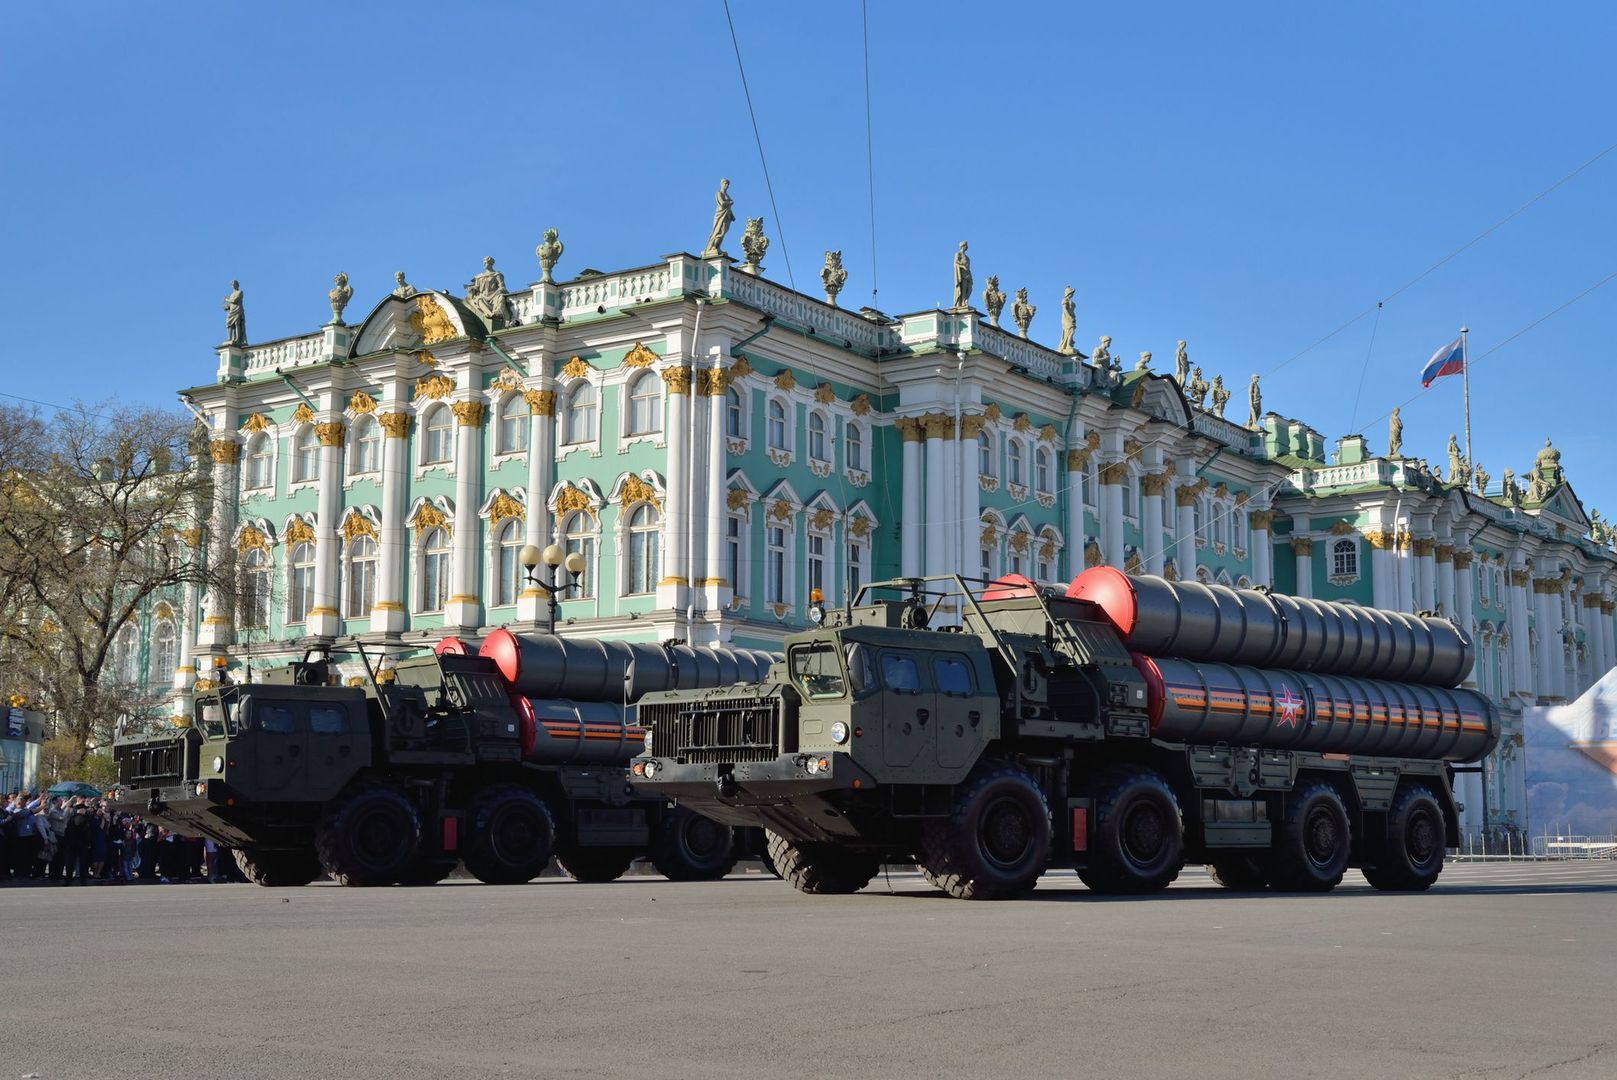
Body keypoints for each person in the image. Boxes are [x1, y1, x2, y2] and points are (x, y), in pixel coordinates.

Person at [61, 805, 95, 885]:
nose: (85, 810)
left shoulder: (72, 818)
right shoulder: (80, 818)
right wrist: (88, 842)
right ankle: (81, 880)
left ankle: (69, 880)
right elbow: (86, 832)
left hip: (73, 844)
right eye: (84, 809)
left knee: (72, 863)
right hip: (80, 844)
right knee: (80, 863)